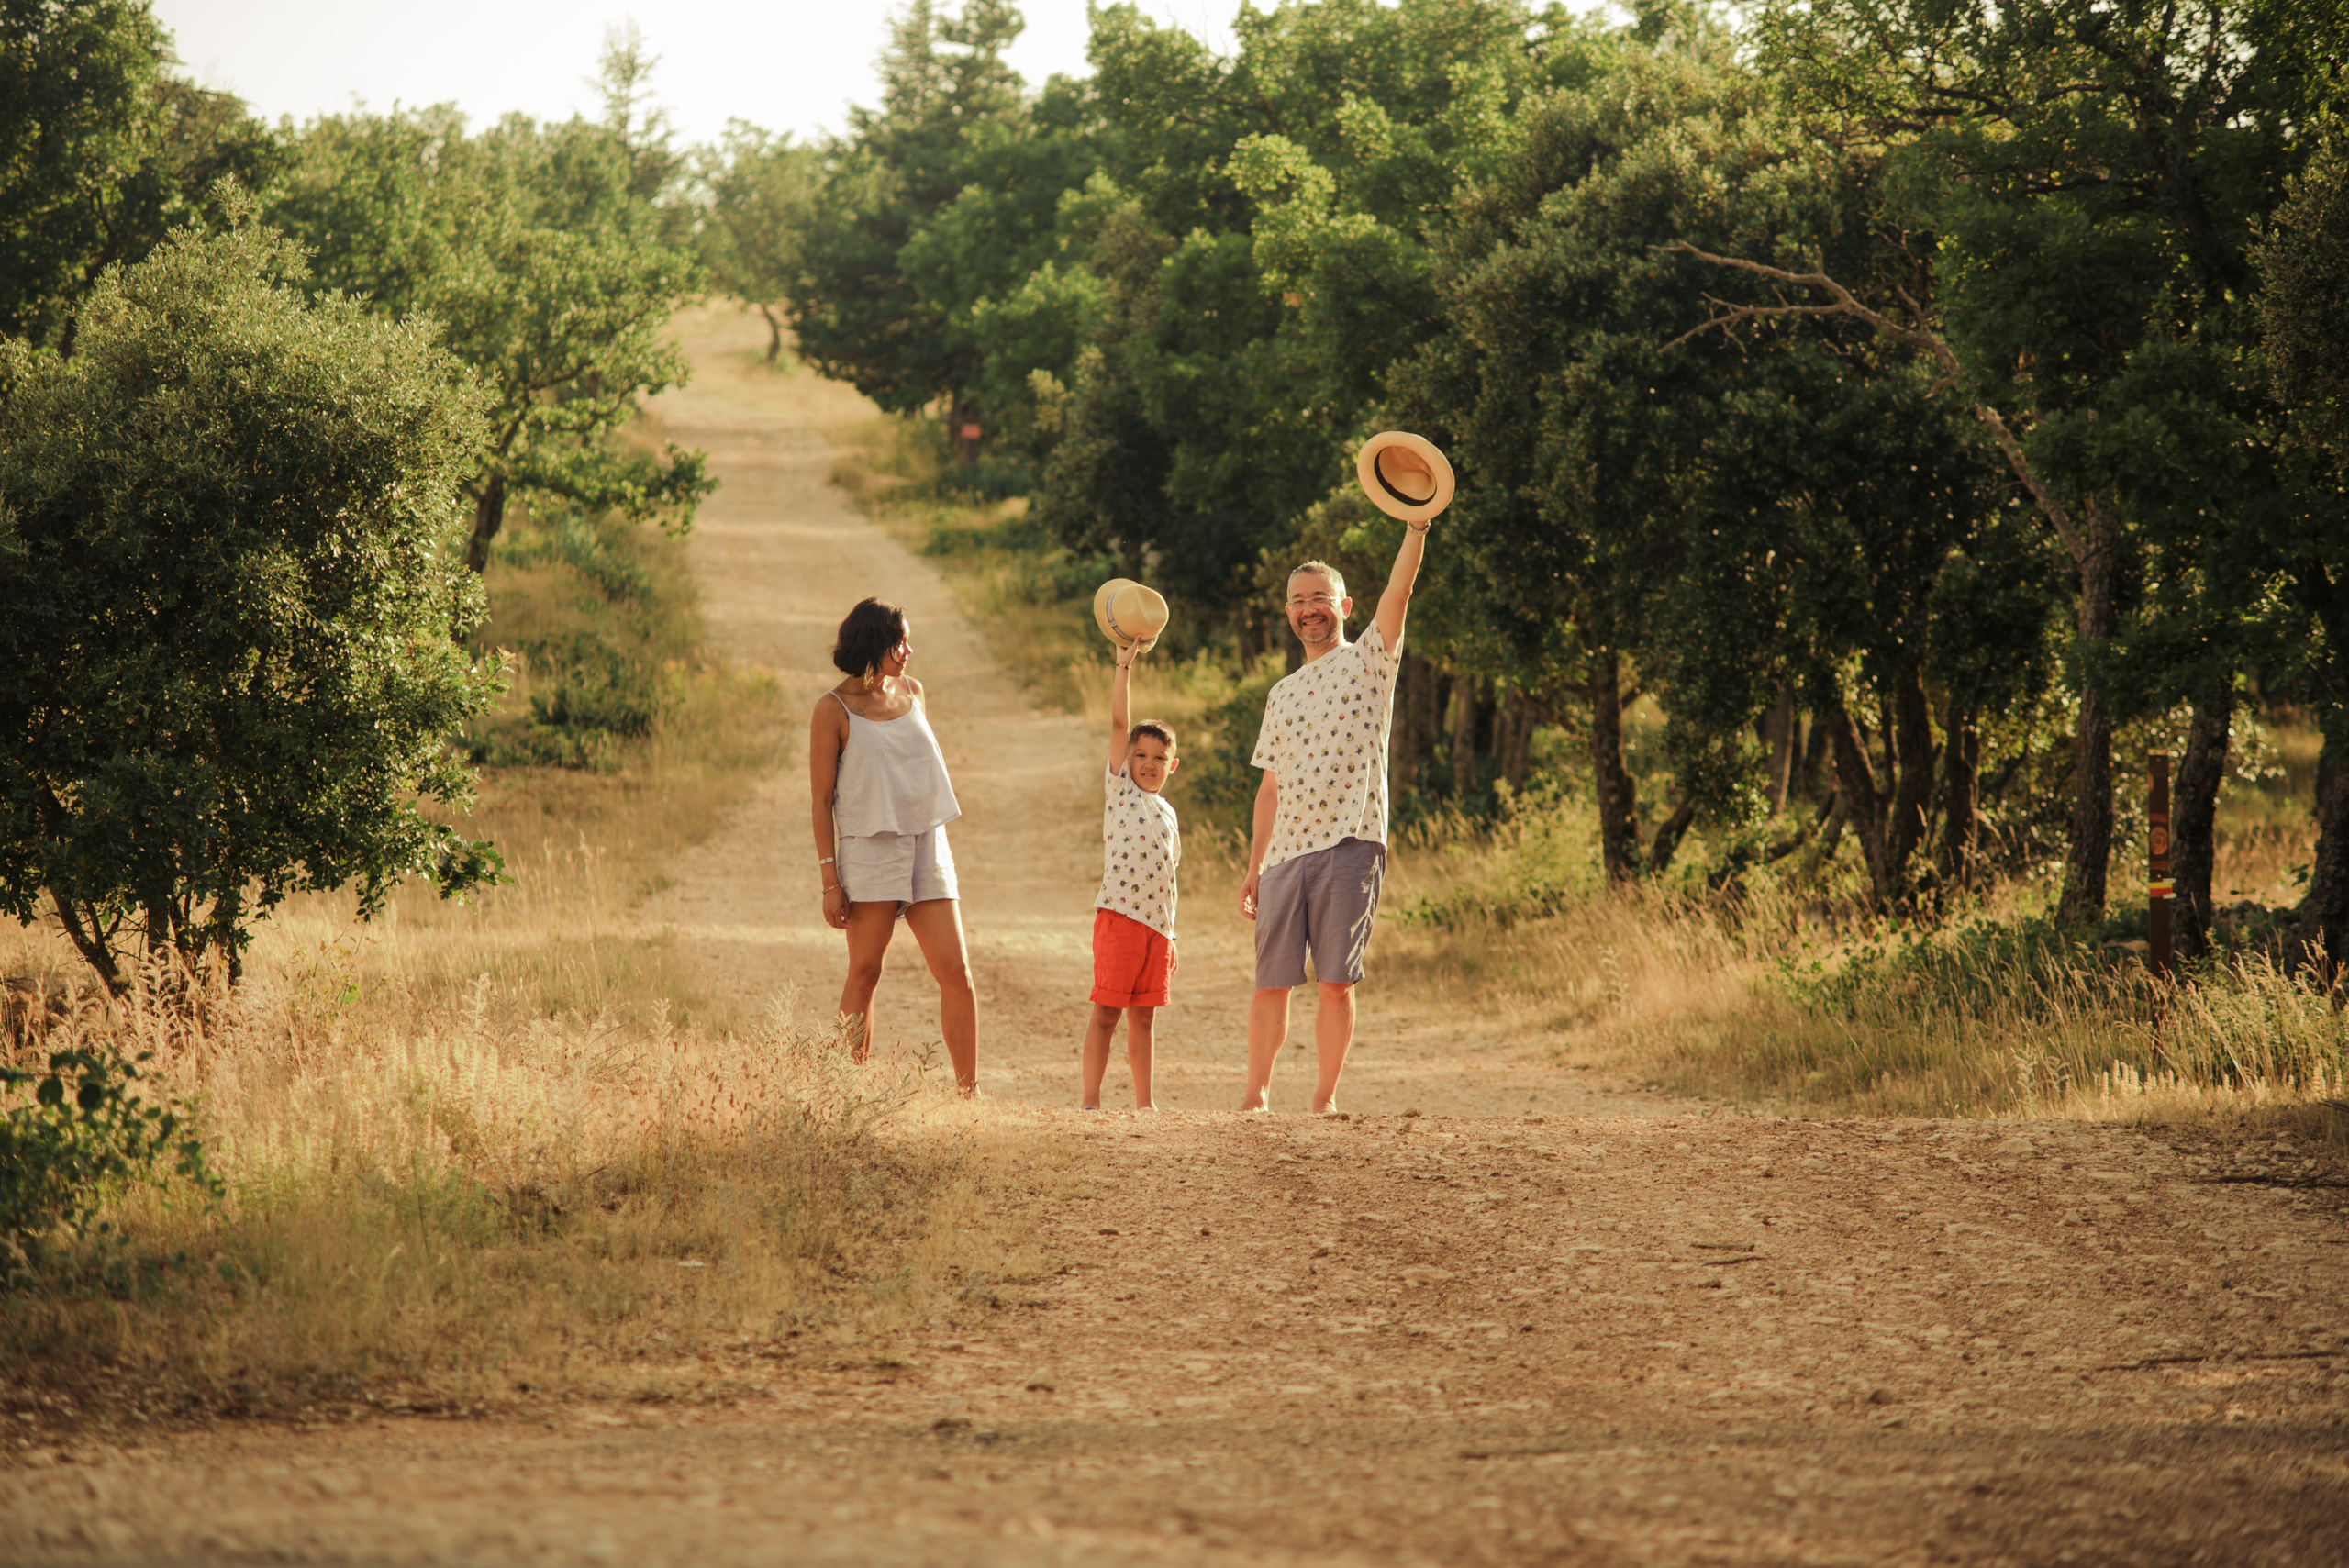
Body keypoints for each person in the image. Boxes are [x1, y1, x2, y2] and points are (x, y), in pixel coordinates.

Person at [1237, 528, 1429, 1113]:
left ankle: (1323, 1100)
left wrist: (1415, 526)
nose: (1308, 609)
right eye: (1298, 600)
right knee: (1270, 983)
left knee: (1335, 982)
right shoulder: (1280, 693)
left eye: (1319, 598)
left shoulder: (1371, 660)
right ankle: (1255, 1098)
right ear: (1287, 613)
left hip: (1351, 843)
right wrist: (1253, 869)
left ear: (1343, 606)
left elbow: (1398, 592)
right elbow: (1268, 788)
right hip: (1283, 857)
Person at [808, 597, 978, 1095]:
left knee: (957, 971)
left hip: (927, 842)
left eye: (907, 639)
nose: (908, 650)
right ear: (872, 643)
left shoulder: (914, 691)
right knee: (865, 971)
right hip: (868, 850)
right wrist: (829, 881)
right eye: (899, 641)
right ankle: (847, 1092)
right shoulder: (832, 709)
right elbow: (820, 801)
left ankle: (969, 1096)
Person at [1081, 639, 1181, 1110]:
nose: (1149, 765)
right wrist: (1124, 667)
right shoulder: (1121, 792)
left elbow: (1170, 879)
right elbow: (1120, 722)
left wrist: (1171, 935)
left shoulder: (1169, 814)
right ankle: (1091, 1101)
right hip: (1119, 919)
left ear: (1172, 766)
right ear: (1128, 759)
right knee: (1106, 1014)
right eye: (1141, 755)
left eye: (1160, 759)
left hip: (1156, 931)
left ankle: (1146, 1104)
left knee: (1144, 1020)